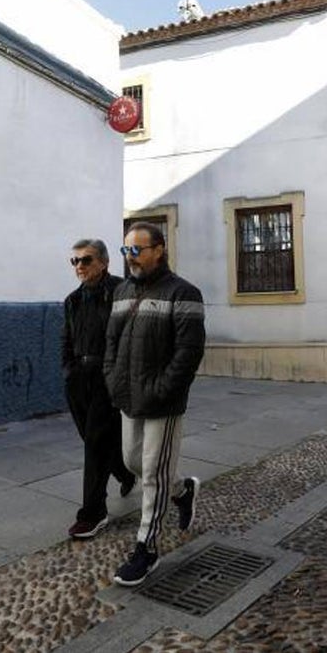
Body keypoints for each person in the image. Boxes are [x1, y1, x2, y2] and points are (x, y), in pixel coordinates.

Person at [104, 221, 205, 586]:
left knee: (153, 474)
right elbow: (111, 342)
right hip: (128, 397)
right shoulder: (122, 292)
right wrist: (112, 378)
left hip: (163, 402)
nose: (130, 257)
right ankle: (183, 490)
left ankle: (146, 549)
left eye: (137, 250)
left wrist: (163, 389)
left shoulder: (184, 292)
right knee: (134, 463)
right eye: (126, 250)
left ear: (159, 250)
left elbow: (189, 352)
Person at [61, 239, 136, 540]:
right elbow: (66, 339)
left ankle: (93, 513)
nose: (79, 266)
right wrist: (68, 370)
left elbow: (131, 336)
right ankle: (125, 472)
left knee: (95, 442)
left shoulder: (122, 291)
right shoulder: (73, 300)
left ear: (104, 262)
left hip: (108, 377)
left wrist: (119, 376)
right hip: (79, 379)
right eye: (75, 261)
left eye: (86, 260)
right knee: (95, 439)